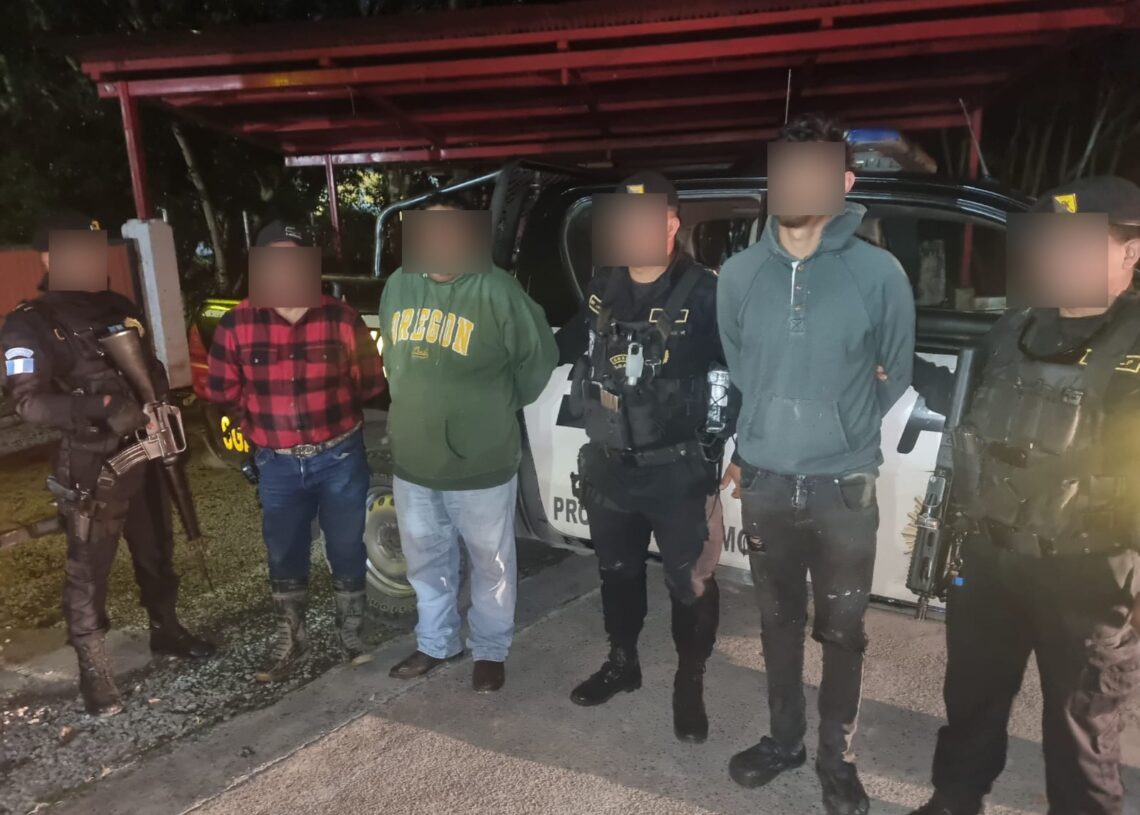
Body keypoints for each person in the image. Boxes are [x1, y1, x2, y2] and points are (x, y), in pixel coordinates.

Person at [907, 176, 1140, 815]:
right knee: (972, 697)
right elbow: (971, 412)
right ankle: (955, 798)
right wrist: (901, 366)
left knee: (1081, 726)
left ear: (1130, 252)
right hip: (991, 559)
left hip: (1088, 571)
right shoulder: (1011, 330)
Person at [718, 114, 916, 814]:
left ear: (844, 182)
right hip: (766, 482)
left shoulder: (879, 273)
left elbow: (894, 370)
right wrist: (772, 427)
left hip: (844, 488)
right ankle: (785, 741)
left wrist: (838, 425)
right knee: (776, 623)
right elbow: (744, 369)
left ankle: (838, 759)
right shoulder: (738, 275)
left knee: (842, 633)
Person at [0, 211, 215, 717]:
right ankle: (94, 671)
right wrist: (101, 407)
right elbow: (29, 404)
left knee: (156, 549)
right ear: (49, 258)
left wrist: (160, 406)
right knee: (89, 571)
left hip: (147, 450)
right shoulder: (30, 322)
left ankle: (166, 630)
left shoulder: (118, 306)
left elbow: (150, 368)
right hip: (92, 465)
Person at [559, 171, 733, 743]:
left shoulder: (706, 293)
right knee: (617, 573)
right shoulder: (602, 285)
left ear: (671, 224)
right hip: (610, 465)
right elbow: (569, 345)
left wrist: (739, 448)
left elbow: (740, 374)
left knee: (691, 584)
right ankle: (622, 663)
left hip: (679, 470)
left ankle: (690, 680)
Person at [380, 198, 557, 693]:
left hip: (481, 462)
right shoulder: (398, 285)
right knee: (426, 562)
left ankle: (490, 648)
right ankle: (436, 642)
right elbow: (392, 358)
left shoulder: (498, 289)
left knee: (491, 562)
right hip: (414, 460)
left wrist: (497, 406)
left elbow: (538, 358)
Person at [205, 220, 386, 683]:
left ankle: (352, 635)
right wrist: (260, 426)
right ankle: (292, 638)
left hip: (340, 458)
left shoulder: (342, 318)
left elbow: (370, 382)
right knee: (284, 552)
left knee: (346, 546)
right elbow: (222, 391)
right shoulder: (237, 324)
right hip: (277, 464)